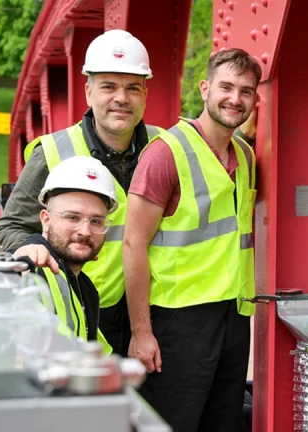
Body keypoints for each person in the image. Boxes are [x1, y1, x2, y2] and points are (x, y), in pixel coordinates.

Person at [0, 29, 162, 357]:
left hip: (156, 315)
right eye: (108, 87)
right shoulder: (54, 151)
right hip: (89, 311)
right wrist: (32, 244)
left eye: (132, 88)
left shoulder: (165, 148)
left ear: (145, 93)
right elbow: (7, 228)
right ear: (88, 91)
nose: (121, 99)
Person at [123, 48, 259, 432]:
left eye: (246, 91)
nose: (235, 98)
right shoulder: (166, 153)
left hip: (233, 317)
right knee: (173, 424)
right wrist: (141, 332)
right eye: (226, 87)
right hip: (177, 321)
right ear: (205, 88)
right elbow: (133, 245)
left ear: (255, 99)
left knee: (224, 422)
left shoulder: (246, 156)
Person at [12, 156, 118, 353]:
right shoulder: (32, 271)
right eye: (72, 217)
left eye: (96, 221)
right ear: (46, 220)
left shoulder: (84, 287)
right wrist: (22, 255)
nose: (85, 231)